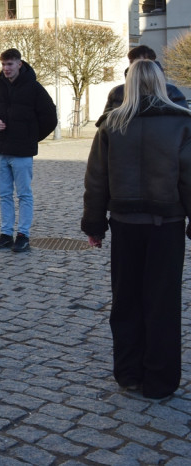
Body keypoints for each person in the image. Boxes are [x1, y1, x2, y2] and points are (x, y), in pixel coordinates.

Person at [83, 59, 191, 400]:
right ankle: (159, 380)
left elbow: (96, 181)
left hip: (126, 225)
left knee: (126, 300)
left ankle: (129, 372)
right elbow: (189, 179)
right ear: (161, 83)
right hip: (166, 226)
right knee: (162, 302)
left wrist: (95, 226)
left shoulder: (111, 124)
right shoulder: (181, 123)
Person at [0, 48, 57, 253]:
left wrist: (31, 137)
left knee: (24, 194)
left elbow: (50, 117)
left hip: (22, 152)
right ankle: (6, 234)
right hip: (0, 150)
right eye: (3, 64)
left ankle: (23, 235)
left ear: (19, 64)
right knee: (4, 194)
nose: (6, 68)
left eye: (10, 64)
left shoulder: (34, 88)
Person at [96, 44, 187, 126]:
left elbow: (184, 122)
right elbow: (106, 124)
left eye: (144, 62)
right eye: (134, 63)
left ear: (153, 63)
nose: (140, 67)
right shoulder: (118, 92)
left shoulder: (171, 91)